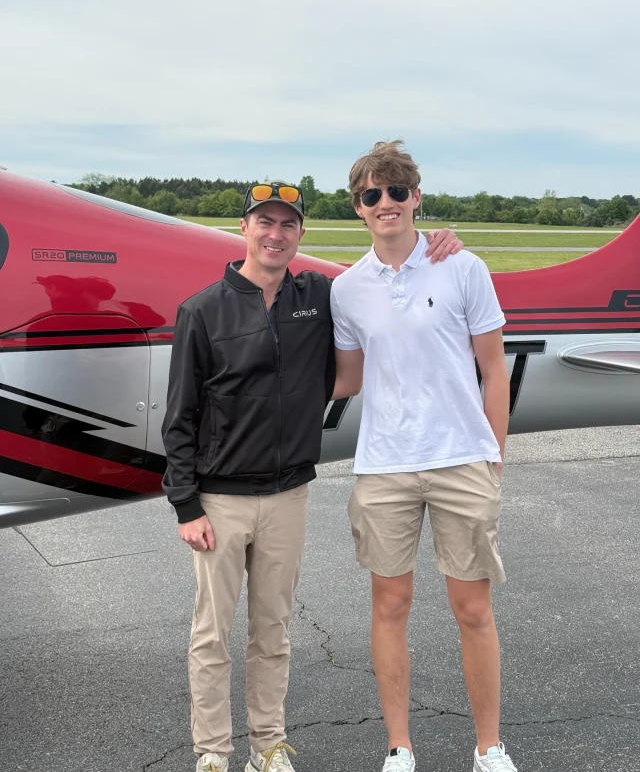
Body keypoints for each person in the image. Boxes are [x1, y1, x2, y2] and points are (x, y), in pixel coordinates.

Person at [161, 180, 462, 772]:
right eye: (264, 223)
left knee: (272, 631)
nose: (275, 234)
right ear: (243, 228)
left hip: (288, 494)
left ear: (300, 234)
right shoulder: (202, 310)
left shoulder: (319, 295)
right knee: (212, 636)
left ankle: (267, 746)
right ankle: (213, 753)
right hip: (219, 499)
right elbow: (180, 415)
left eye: (287, 225)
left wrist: (434, 243)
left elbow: (384, 271)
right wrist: (186, 505)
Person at [330, 141, 516, 772]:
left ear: (416, 197)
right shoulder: (347, 290)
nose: (386, 203)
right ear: (358, 208)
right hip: (384, 465)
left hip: (461, 458)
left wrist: (495, 454)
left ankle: (489, 745)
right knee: (391, 604)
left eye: (397, 191)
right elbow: (346, 379)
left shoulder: (463, 267)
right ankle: (399, 746)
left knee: (473, 607)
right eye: (371, 195)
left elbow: (494, 371)